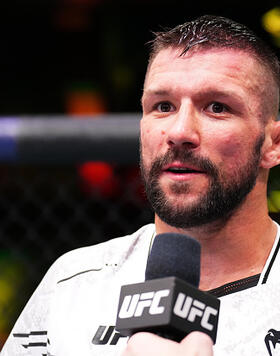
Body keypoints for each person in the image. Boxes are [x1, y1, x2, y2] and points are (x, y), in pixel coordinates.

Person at [2, 14, 280, 356]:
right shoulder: (71, 283)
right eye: (163, 106)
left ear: (273, 144)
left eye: (217, 107)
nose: (179, 132)